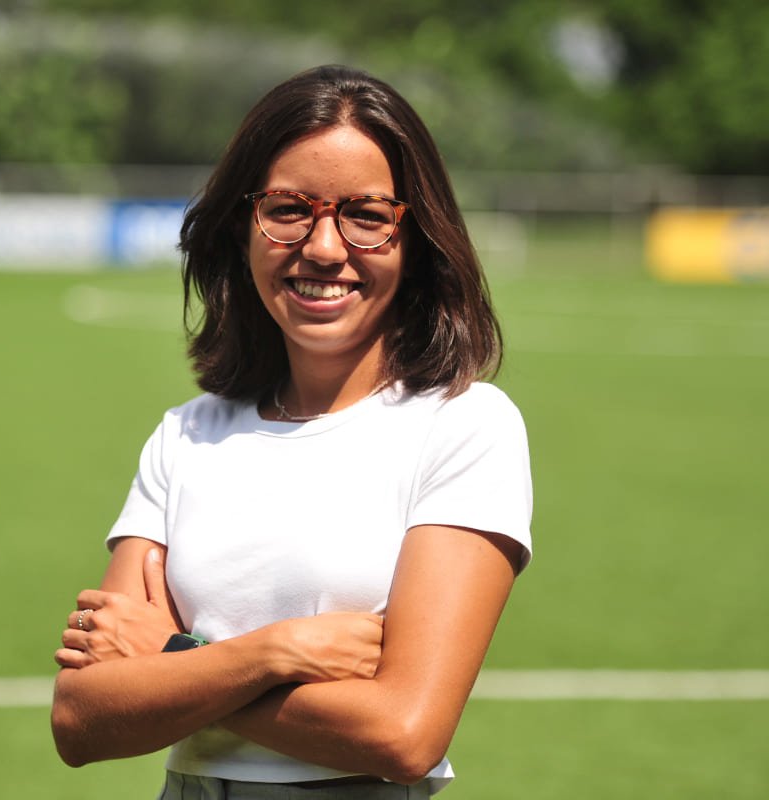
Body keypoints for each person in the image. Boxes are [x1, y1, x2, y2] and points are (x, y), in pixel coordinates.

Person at [51, 64, 533, 800]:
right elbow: (82, 718)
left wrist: (177, 658)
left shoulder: (464, 426)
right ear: (241, 225)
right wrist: (276, 652)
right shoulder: (185, 437)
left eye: (366, 215)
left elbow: (404, 732)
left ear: (418, 239)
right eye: (289, 209)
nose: (324, 247)